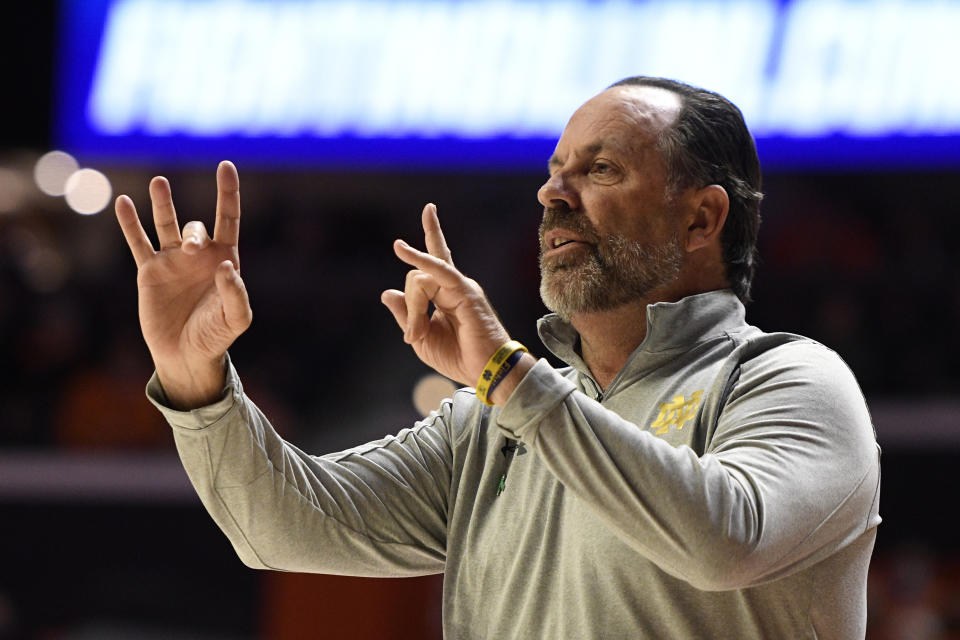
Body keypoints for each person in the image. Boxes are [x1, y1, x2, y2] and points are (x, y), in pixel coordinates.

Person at [115, 77, 881, 639]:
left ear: (700, 218)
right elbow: (278, 528)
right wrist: (196, 380)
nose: (553, 194)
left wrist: (509, 376)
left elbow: (724, 544)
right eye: (554, 171)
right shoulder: (485, 424)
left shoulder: (789, 383)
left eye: (601, 170)